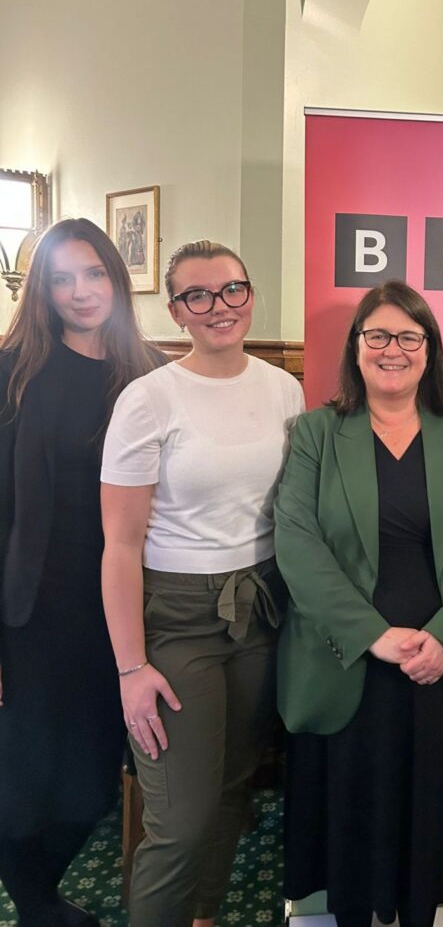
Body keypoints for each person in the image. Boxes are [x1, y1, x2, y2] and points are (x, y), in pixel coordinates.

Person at [275, 280, 443, 927]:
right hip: (348, 662)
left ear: (429, 348)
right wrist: (374, 636)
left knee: (432, 826)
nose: (393, 349)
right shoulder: (316, 432)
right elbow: (297, 545)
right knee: (353, 825)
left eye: (408, 336)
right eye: (377, 335)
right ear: (356, 348)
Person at [100, 239, 304, 927]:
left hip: (262, 605)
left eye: (232, 289)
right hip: (178, 616)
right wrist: (132, 667)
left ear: (251, 294)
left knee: (232, 790)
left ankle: (204, 916)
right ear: (175, 307)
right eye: (198, 295)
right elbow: (121, 545)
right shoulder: (148, 398)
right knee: (180, 819)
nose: (219, 306)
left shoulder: (284, 387)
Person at [0, 218, 163, 927]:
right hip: (33, 608)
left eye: (93, 273)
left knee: (95, 781)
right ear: (42, 290)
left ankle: (38, 895)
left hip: (123, 607)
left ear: (115, 278)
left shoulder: (153, 372)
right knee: (26, 777)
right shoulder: (12, 373)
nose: (80, 290)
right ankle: (38, 903)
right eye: (62, 278)